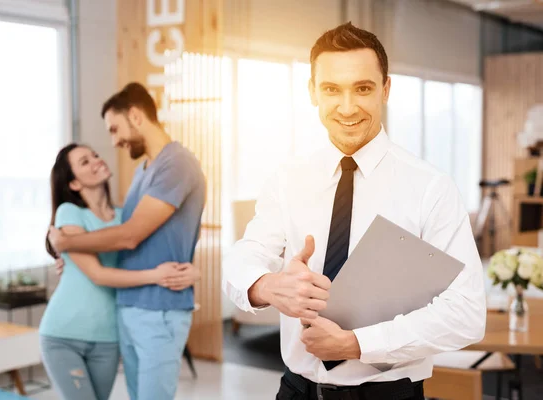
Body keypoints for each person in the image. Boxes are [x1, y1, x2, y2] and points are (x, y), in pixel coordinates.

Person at [222, 22, 486, 400]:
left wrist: (358, 344)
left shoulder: (431, 188)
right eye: (331, 89)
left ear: (386, 89)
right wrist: (267, 286)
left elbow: (467, 314)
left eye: (363, 88)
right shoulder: (288, 179)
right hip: (297, 392)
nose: (347, 108)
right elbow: (242, 256)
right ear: (312, 92)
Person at [48, 82, 207, 400]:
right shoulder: (141, 171)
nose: (114, 141)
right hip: (130, 308)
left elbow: (131, 235)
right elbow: (163, 233)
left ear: (136, 116)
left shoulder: (176, 163)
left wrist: (66, 244)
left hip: (159, 310)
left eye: (115, 129)